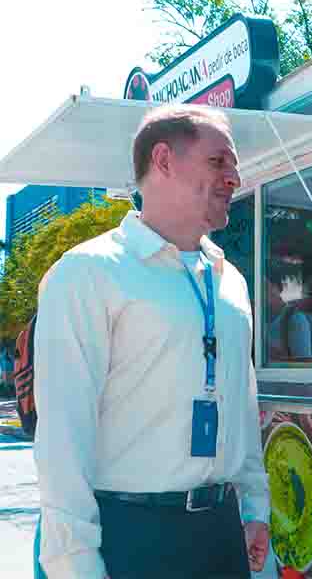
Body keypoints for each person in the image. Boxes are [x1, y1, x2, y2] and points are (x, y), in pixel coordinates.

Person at [33, 105, 270, 579]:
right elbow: (63, 437)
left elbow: (241, 404)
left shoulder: (230, 281)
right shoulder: (87, 272)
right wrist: (74, 566)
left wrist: (253, 508)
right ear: (163, 160)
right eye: (219, 161)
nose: (235, 177)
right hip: (131, 535)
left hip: (223, 533)